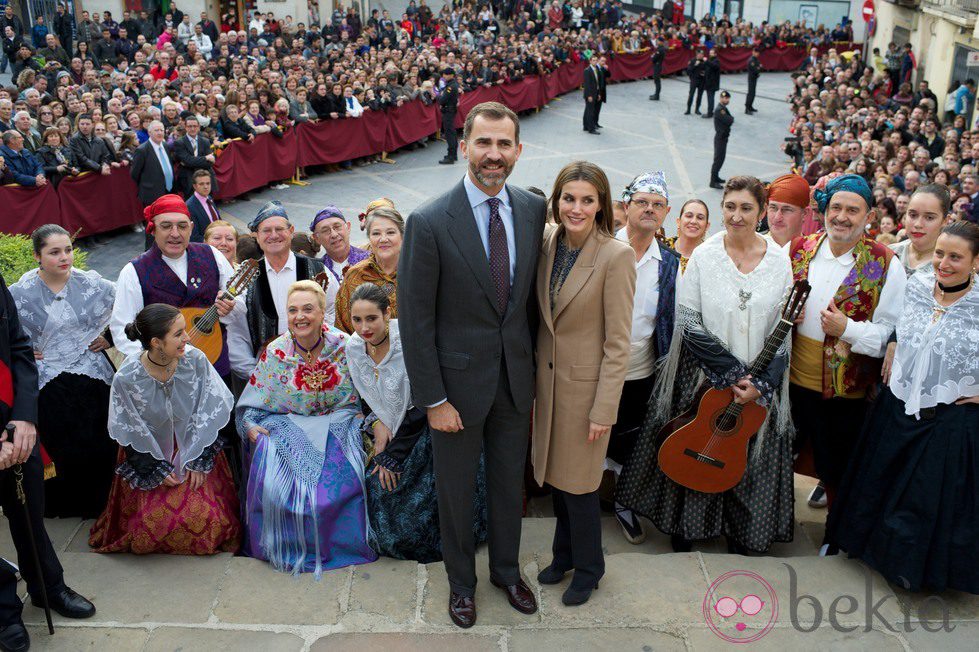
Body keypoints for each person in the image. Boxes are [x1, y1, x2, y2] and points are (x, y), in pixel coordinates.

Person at [399, 102, 546, 628]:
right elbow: (415, 322)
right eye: (484, 143)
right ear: (465, 146)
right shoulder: (429, 221)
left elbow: (526, 303)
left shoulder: (532, 209)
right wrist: (433, 400)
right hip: (454, 392)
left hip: (513, 382)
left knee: (510, 486)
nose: (494, 155)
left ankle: (507, 572)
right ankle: (461, 583)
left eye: (504, 144)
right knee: (456, 493)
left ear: (518, 151)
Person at [616, 176, 796, 555]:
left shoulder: (780, 261)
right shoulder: (705, 255)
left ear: (761, 212)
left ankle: (745, 531)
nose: (736, 215)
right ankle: (692, 526)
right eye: (730, 207)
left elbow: (784, 325)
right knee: (700, 442)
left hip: (759, 380)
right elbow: (687, 319)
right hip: (706, 375)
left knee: (750, 453)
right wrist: (731, 374)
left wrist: (760, 383)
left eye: (746, 208)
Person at [828, 221, 979, 594]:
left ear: (976, 261)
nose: (943, 263)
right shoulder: (918, 286)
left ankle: (912, 571)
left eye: (956, 257)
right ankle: (867, 551)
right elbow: (901, 327)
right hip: (897, 405)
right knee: (880, 481)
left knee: (926, 499)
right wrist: (894, 340)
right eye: (940, 253)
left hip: (949, 418)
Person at [787, 174, 907, 556]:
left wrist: (848, 329)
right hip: (788, 378)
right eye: (835, 208)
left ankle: (835, 538)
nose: (841, 217)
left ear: (868, 216)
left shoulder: (886, 263)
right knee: (776, 457)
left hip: (842, 389)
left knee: (837, 466)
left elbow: (891, 333)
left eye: (852, 210)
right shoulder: (799, 249)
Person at [533, 161, 635, 606]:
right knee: (559, 481)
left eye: (587, 200)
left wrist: (603, 410)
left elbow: (619, 344)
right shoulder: (549, 242)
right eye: (568, 198)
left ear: (601, 205)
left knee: (582, 487)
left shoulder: (616, 255)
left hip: (586, 394)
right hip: (549, 390)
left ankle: (590, 568)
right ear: (557, 201)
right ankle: (563, 557)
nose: (576, 208)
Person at [236, 280, 377, 575]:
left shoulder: (346, 345)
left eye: (308, 309)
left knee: (335, 492)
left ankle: (342, 546)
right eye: (293, 310)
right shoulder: (275, 352)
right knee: (275, 479)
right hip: (289, 424)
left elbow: (372, 392)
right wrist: (250, 426)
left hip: (341, 422)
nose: (300, 316)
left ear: (322, 312)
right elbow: (252, 403)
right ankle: (283, 545)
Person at [347, 283, 487, 562]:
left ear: (387, 314)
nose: (364, 327)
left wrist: (395, 454)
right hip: (391, 427)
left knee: (413, 510)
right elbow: (366, 396)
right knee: (377, 489)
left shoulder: (409, 342)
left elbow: (426, 400)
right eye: (357, 319)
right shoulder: (354, 348)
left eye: (372, 318)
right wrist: (377, 423)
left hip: (427, 430)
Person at [89, 304, 241, 554]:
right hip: (149, 452)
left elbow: (213, 408)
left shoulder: (195, 360)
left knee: (206, 521)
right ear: (156, 342)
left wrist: (199, 458)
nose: (188, 338)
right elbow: (127, 429)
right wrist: (154, 468)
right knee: (153, 524)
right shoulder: (127, 377)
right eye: (179, 334)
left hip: (194, 444)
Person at [0, 264, 96, 652]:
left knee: (29, 513)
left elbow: (18, 346)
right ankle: (4, 608)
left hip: (15, 424)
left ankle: (46, 586)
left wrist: (23, 417)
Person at [9, 225, 116, 519]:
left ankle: (100, 501)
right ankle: (60, 502)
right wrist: (22, 349)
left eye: (68, 250)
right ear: (37, 256)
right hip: (45, 373)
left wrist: (111, 336)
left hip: (90, 366)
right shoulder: (19, 292)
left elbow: (128, 311)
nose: (64, 257)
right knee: (55, 429)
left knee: (97, 429)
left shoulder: (94, 284)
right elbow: (7, 332)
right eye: (54, 252)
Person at [606, 172, 680, 545]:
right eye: (642, 202)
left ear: (666, 213)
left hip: (640, 370)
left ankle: (624, 502)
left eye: (657, 204)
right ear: (626, 206)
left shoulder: (670, 263)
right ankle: (580, 502)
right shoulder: (600, 246)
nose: (649, 209)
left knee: (629, 438)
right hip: (593, 368)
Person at [109, 194, 240, 379]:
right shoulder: (134, 272)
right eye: (166, 226)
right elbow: (123, 329)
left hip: (215, 363)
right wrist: (155, 362)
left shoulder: (212, 255)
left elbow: (239, 302)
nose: (175, 233)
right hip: (166, 375)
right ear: (152, 230)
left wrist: (230, 309)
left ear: (191, 228)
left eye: (182, 226)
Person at [226, 201, 328, 381]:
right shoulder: (245, 275)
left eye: (279, 229)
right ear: (256, 236)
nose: (274, 235)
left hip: (316, 367)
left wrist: (324, 358)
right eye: (266, 230)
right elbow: (237, 332)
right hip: (266, 372)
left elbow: (333, 311)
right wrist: (254, 374)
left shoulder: (317, 268)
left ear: (291, 231)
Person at [334, 206, 402, 334]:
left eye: (391, 232)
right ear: (369, 238)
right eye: (376, 233)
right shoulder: (355, 275)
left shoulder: (418, 271)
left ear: (402, 236)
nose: (383, 239)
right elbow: (342, 328)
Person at [889, 185, 951, 277]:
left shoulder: (951, 264)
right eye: (913, 215)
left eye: (929, 217)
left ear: (945, 221)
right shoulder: (890, 253)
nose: (918, 224)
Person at [310, 205, 369, 285]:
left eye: (337, 227)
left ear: (348, 227)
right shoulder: (317, 270)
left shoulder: (369, 260)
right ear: (316, 238)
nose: (334, 234)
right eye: (325, 231)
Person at [172, 115, 216, 197]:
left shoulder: (205, 141)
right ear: (185, 127)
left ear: (199, 127)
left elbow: (209, 163)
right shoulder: (179, 143)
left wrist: (192, 161)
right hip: (188, 179)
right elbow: (188, 161)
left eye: (195, 126)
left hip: (205, 178)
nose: (192, 129)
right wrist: (205, 158)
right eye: (189, 126)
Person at [764, 173, 812, 247]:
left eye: (787, 210)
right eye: (773, 208)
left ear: (804, 214)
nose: (777, 218)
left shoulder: (815, 255)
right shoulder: (749, 251)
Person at [662, 198, 709, 273]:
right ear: (678, 222)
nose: (693, 221)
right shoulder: (663, 249)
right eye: (689, 216)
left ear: (707, 226)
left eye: (700, 218)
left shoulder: (710, 256)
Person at [185, 169, 221, 243]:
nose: (206, 187)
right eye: (201, 184)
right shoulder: (189, 206)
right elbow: (194, 237)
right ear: (195, 186)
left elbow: (218, 220)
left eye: (208, 183)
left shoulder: (209, 198)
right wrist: (214, 243)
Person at [709, 90, 733, 189]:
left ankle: (716, 177)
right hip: (720, 138)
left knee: (721, 159)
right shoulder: (720, 110)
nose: (726, 99)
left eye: (727, 98)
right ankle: (712, 181)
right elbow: (730, 120)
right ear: (721, 98)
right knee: (718, 160)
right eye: (724, 98)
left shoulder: (723, 108)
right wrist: (730, 119)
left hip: (723, 137)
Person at [438, 67, 459, 164]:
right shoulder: (452, 84)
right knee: (452, 132)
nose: (443, 76)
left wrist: (439, 95)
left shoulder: (451, 86)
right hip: (451, 110)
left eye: (445, 74)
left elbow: (442, 100)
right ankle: (453, 154)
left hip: (448, 110)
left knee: (449, 133)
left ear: (451, 75)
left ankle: (451, 156)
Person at [582, 56, 606, 134]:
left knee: (588, 110)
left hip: (596, 93)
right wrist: (589, 95)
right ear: (590, 61)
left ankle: (585, 126)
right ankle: (591, 129)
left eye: (596, 60)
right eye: (593, 60)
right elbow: (587, 84)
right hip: (590, 94)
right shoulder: (587, 70)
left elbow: (598, 84)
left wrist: (599, 94)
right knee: (590, 111)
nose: (595, 62)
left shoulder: (597, 70)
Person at [685, 50, 706, 116]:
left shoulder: (705, 61)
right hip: (694, 80)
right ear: (696, 54)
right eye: (699, 54)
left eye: (702, 54)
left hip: (702, 80)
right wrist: (695, 65)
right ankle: (688, 109)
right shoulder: (692, 61)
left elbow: (708, 70)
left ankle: (697, 109)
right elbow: (688, 71)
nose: (701, 55)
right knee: (691, 95)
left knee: (699, 96)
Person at [702, 49, 720, 119]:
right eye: (710, 53)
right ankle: (710, 111)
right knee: (710, 98)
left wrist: (706, 61)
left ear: (715, 54)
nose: (710, 54)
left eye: (712, 53)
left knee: (710, 98)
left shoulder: (716, 61)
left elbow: (714, 66)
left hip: (712, 83)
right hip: (709, 82)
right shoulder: (710, 60)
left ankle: (709, 113)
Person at [648, 36, 666, 101]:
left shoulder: (660, 49)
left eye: (658, 41)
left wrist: (652, 56)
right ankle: (656, 94)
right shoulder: (660, 48)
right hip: (657, 65)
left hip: (657, 66)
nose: (657, 41)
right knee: (656, 81)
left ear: (661, 42)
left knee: (657, 81)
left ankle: (657, 96)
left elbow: (654, 58)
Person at [746, 47, 761, 114]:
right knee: (750, 94)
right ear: (754, 52)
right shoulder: (751, 60)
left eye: (758, 53)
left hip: (754, 78)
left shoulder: (755, 59)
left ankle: (750, 106)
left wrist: (758, 67)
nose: (758, 54)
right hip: (751, 78)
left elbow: (759, 67)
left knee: (753, 93)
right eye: (757, 52)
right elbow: (755, 69)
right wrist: (758, 68)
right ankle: (747, 108)